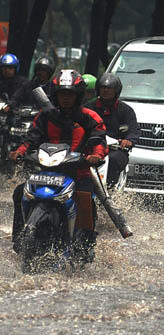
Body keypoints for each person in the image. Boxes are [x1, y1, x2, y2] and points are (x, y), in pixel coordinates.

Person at [9, 69, 108, 259]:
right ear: (55, 95)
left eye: (70, 94)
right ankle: (19, 240)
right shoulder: (45, 116)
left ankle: (84, 247)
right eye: (62, 94)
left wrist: (95, 155)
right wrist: (19, 152)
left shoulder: (90, 117)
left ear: (78, 95)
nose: (66, 98)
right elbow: (31, 140)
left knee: (86, 198)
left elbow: (98, 140)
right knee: (19, 192)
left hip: (78, 173)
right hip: (45, 171)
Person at [85, 72, 139, 187]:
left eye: (110, 88)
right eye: (103, 87)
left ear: (116, 90)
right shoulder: (88, 108)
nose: (106, 91)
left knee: (113, 160)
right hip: (91, 149)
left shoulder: (126, 110)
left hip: (116, 150)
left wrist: (128, 140)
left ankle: (110, 190)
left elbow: (133, 131)